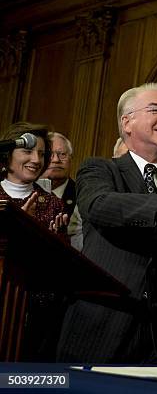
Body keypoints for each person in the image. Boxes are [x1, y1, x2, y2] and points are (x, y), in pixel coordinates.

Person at [56, 82, 157, 365]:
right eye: (156, 110)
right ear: (127, 121)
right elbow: (99, 205)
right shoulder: (100, 169)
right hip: (100, 327)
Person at [0, 122, 67, 361]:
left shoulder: (52, 204)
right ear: (7, 155)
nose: (36, 159)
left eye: (41, 153)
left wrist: (55, 241)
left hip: (33, 313)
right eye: (27, 151)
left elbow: (59, 265)